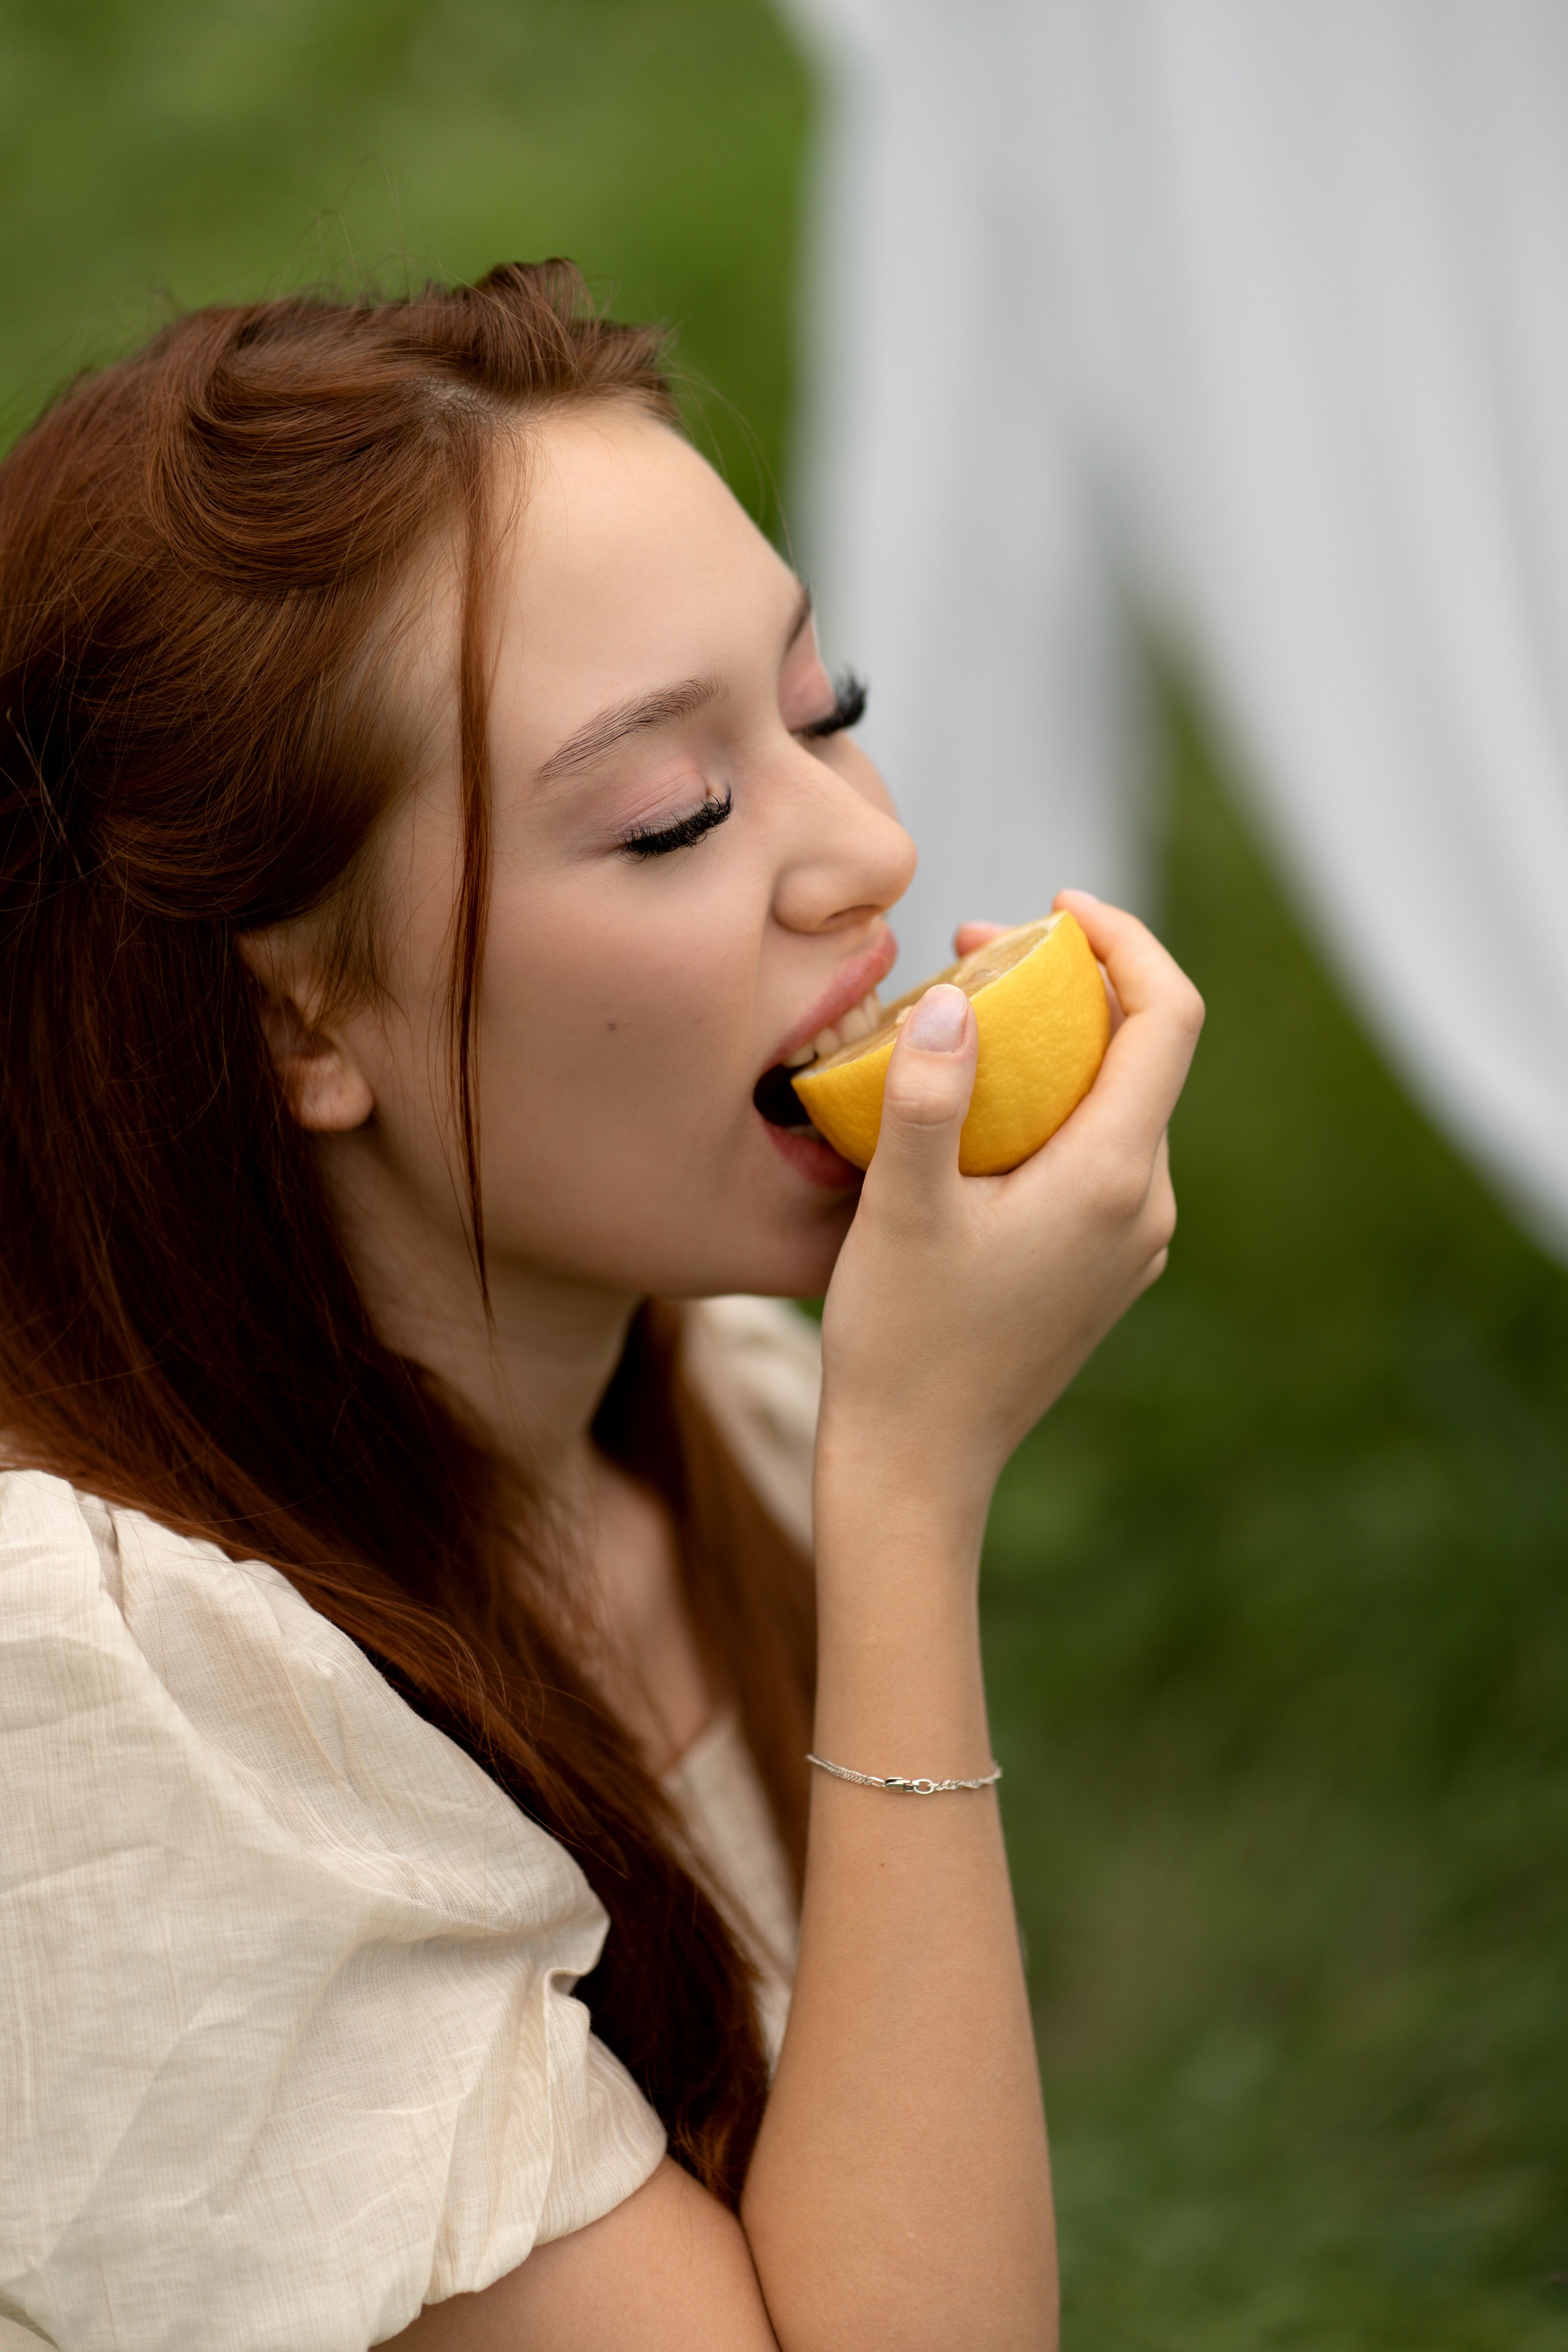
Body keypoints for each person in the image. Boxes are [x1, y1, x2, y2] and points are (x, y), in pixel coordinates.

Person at [0, 262, 1201, 2351]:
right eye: (674, 816)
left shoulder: (701, 1393)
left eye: (826, 709)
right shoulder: (93, 1700)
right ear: (300, 1015)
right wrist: (909, 1483)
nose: (875, 852)